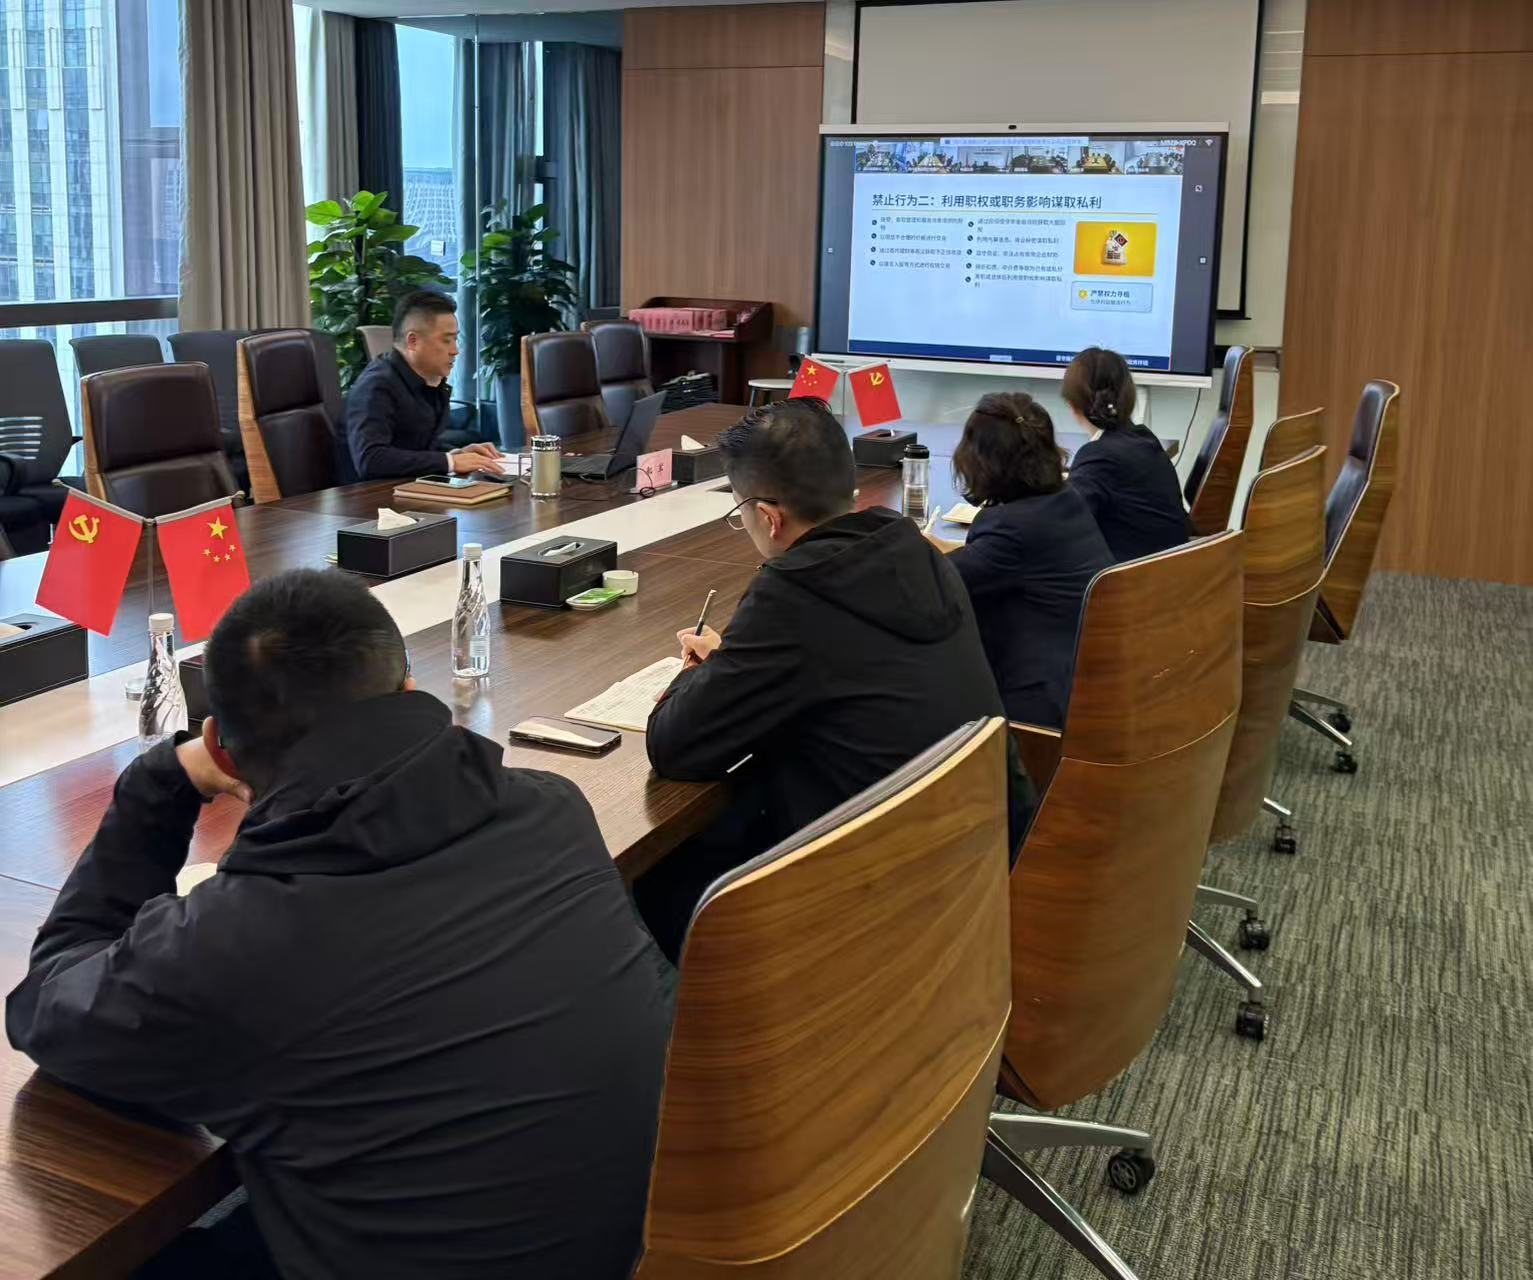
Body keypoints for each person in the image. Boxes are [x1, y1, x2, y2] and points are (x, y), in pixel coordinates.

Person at [6, 570, 673, 1280]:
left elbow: (47, 1005)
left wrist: (160, 780)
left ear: (220, 748)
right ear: (409, 691)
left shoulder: (238, 943)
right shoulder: (550, 809)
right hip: (654, 1244)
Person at [635, 397, 1036, 961]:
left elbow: (674, 746)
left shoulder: (795, 593)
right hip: (978, 873)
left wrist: (697, 670)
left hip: (868, 916)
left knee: (652, 879)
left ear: (769, 517)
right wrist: (741, 661)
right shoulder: (915, 549)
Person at [931, 391, 1114, 728]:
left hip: (1037, 711)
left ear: (978, 461)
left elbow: (935, 587)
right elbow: (981, 565)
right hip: (1087, 687)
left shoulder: (1010, 529)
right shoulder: (1065, 501)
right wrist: (934, 548)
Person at [343, 289, 500, 481]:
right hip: (367, 496)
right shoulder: (376, 386)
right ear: (413, 341)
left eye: (455, 339)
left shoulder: (428, 383)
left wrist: (456, 454)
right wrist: (448, 462)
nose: (455, 350)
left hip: (409, 489)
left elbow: (412, 447)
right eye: (446, 340)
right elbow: (370, 459)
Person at [1061, 346, 1189, 562]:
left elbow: (1066, 526)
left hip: (1132, 576)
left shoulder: (1098, 455)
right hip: (1170, 569)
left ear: (1072, 405)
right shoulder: (1144, 438)